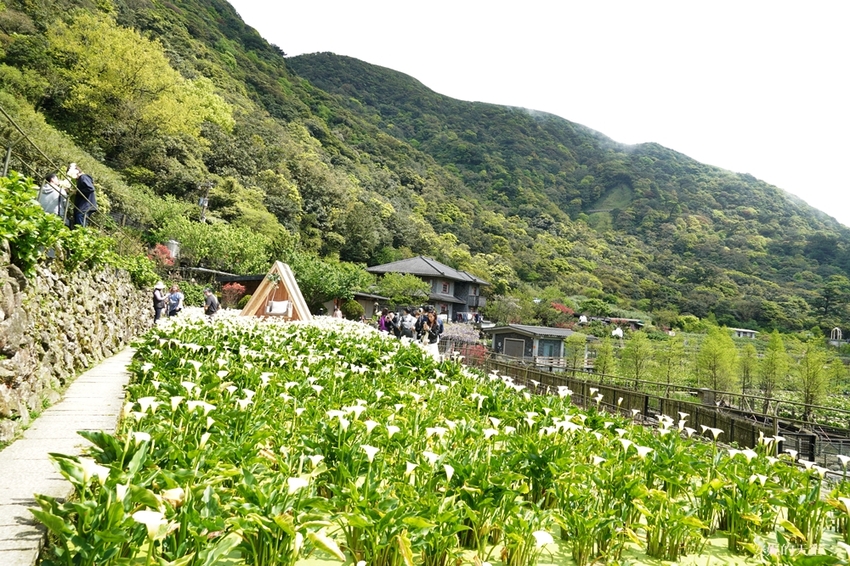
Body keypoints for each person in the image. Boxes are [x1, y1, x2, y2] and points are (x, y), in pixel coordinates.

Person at [66, 163, 97, 228]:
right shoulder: (82, 178)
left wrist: (76, 192)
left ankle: (80, 235)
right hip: (85, 205)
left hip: (85, 206)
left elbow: (90, 188)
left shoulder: (83, 177)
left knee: (80, 223)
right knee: (79, 222)